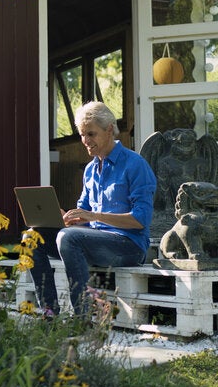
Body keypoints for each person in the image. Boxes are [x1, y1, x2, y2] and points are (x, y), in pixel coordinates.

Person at [29, 101, 156, 316]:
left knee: (68, 238)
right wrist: (67, 219)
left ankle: (83, 315)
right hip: (93, 242)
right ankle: (48, 311)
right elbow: (84, 215)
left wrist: (92, 216)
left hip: (129, 246)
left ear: (109, 130)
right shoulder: (90, 170)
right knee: (33, 237)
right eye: (82, 135)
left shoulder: (135, 164)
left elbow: (140, 219)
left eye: (91, 134)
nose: (85, 141)